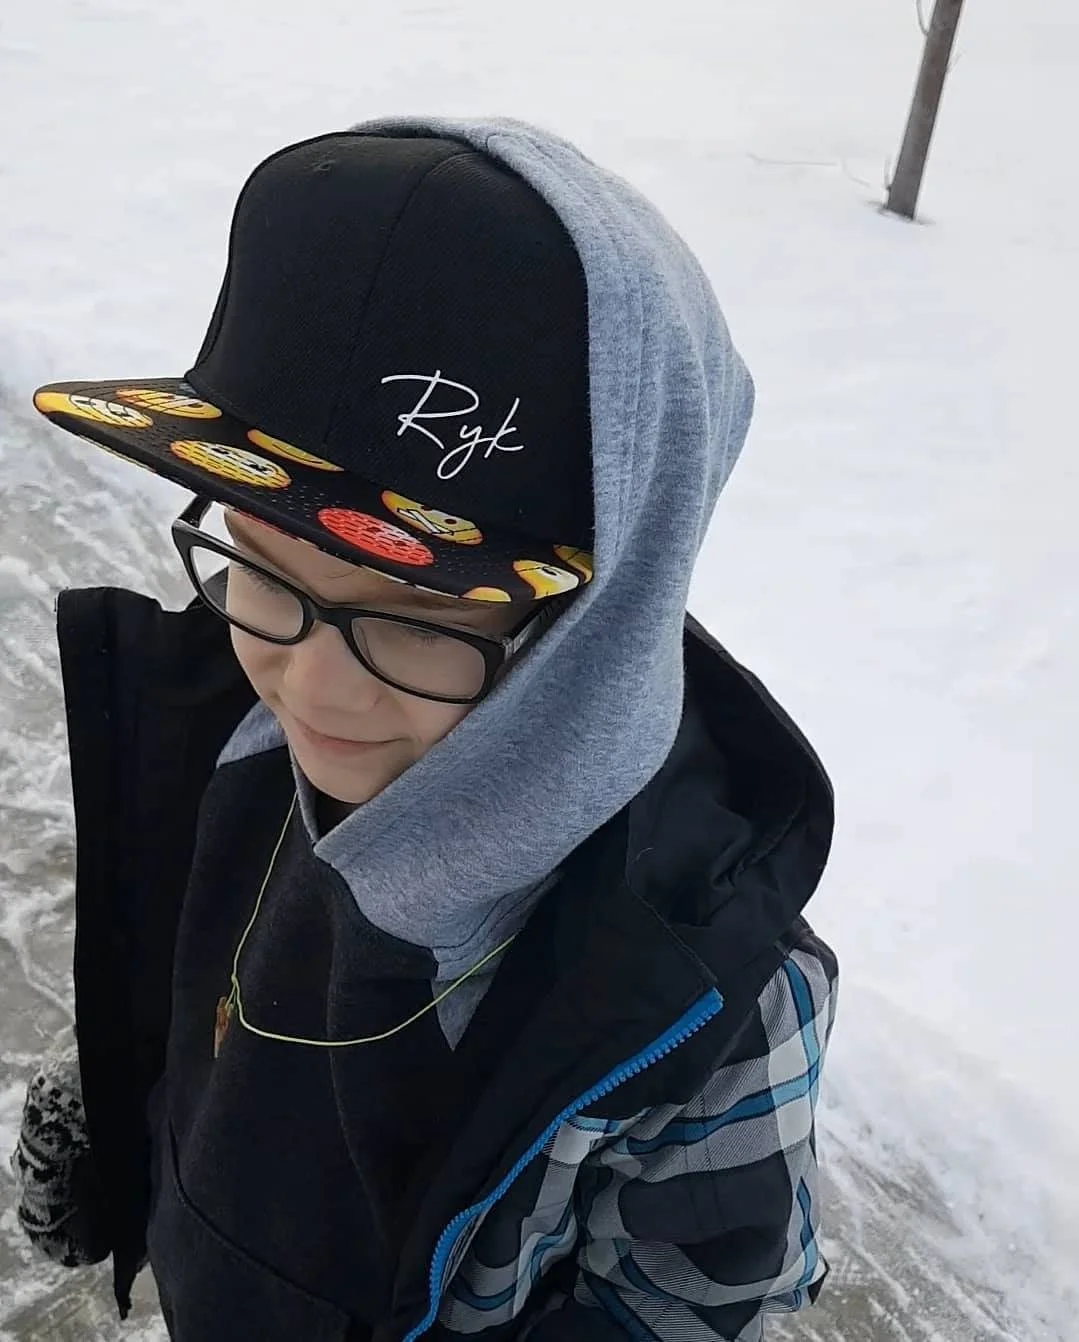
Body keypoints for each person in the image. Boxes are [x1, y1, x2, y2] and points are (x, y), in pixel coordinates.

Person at [11, 118, 838, 1342]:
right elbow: (190, 985)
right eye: (259, 562)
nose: (312, 687)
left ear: (595, 620)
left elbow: (686, 1309)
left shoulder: (700, 1002)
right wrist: (122, 1104)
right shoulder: (220, 735)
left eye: (417, 618)